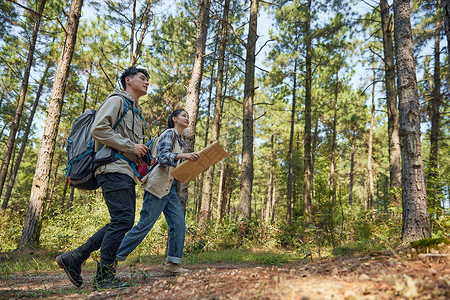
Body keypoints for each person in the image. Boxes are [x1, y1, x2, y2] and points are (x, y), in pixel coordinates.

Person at [56, 67, 150, 290]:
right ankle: (103, 277)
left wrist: (139, 156)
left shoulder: (136, 112)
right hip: (111, 169)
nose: (147, 83)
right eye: (142, 78)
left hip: (125, 171)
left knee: (122, 220)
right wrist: (130, 146)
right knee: (122, 220)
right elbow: (99, 129)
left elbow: (125, 143)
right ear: (128, 80)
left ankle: (75, 258)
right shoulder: (117, 100)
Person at [115, 109, 199, 276]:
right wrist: (184, 155)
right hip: (157, 187)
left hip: (170, 190)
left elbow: (176, 166)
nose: (187, 118)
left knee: (178, 225)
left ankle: (173, 264)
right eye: (183, 115)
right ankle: (111, 258)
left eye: (188, 116)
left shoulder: (180, 140)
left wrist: (195, 165)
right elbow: (162, 157)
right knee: (144, 226)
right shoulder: (169, 133)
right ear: (174, 119)